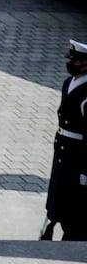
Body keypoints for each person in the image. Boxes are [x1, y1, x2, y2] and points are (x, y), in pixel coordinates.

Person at [43, 40, 87, 240]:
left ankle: (73, 235)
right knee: (59, 194)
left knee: (74, 201)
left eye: (76, 61)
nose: (71, 64)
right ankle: (53, 222)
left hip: (78, 154)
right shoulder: (69, 83)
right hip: (63, 148)